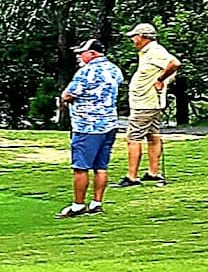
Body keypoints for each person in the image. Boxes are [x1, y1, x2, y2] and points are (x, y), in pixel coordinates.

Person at [57, 38, 125, 218]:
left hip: (87, 126)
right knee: (101, 166)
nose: (79, 56)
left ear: (92, 54)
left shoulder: (85, 72)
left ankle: (78, 205)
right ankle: (96, 203)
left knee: (81, 167)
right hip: (109, 123)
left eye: (82, 52)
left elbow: (68, 94)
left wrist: (66, 98)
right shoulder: (114, 69)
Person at [114, 21, 180, 189]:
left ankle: (132, 176)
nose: (133, 40)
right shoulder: (147, 52)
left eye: (134, 37)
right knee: (153, 136)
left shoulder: (155, 51)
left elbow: (175, 64)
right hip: (149, 102)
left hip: (146, 103)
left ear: (143, 37)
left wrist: (160, 80)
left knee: (133, 137)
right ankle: (153, 173)